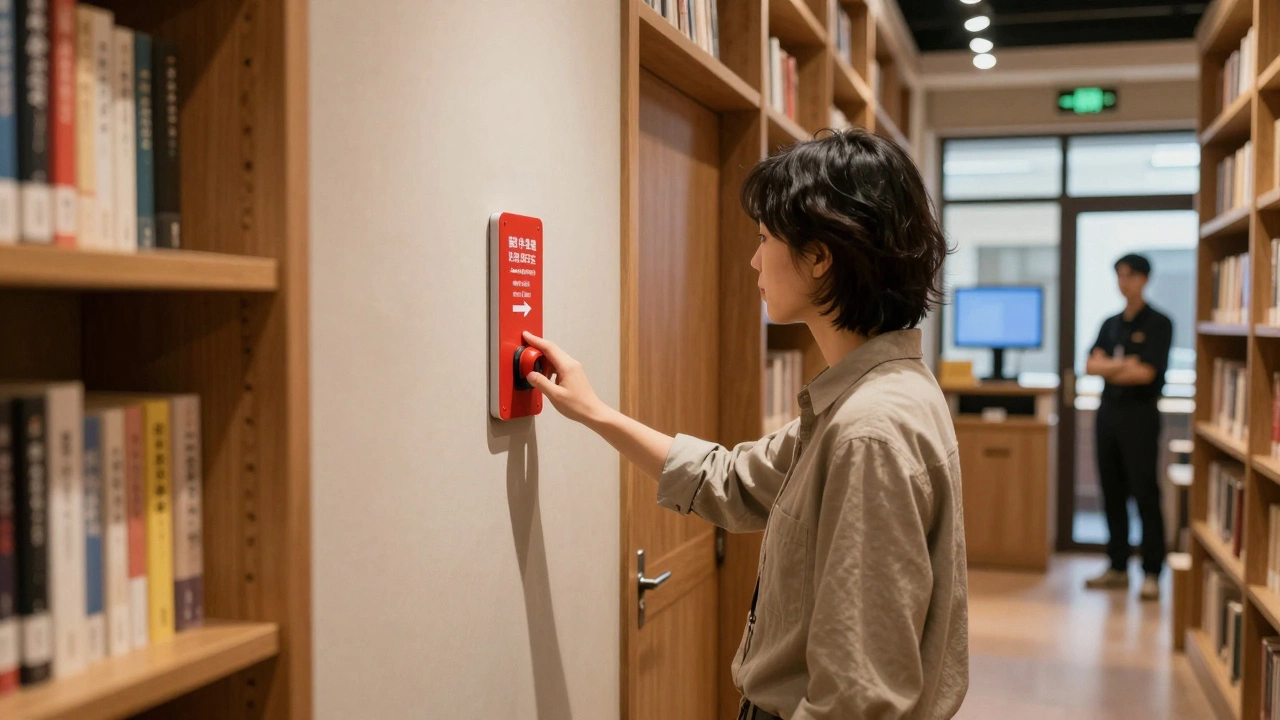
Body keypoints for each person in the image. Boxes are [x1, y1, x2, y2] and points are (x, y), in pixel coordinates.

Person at [521, 129, 968, 720]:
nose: (754, 259)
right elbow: (732, 480)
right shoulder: (872, 394)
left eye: (763, 239)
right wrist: (597, 413)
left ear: (819, 255)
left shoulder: (868, 430)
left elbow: (858, 700)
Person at [1084, 254, 1173, 601]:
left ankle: (1151, 572)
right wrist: (1124, 364)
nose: (1124, 282)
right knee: (1112, 492)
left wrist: (1111, 365)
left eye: (1131, 276)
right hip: (1108, 413)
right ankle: (1117, 566)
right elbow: (1091, 365)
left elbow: (1147, 373)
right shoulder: (1110, 324)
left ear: (1145, 280)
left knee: (1145, 492)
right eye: (1119, 276)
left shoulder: (1159, 323)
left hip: (1140, 415)